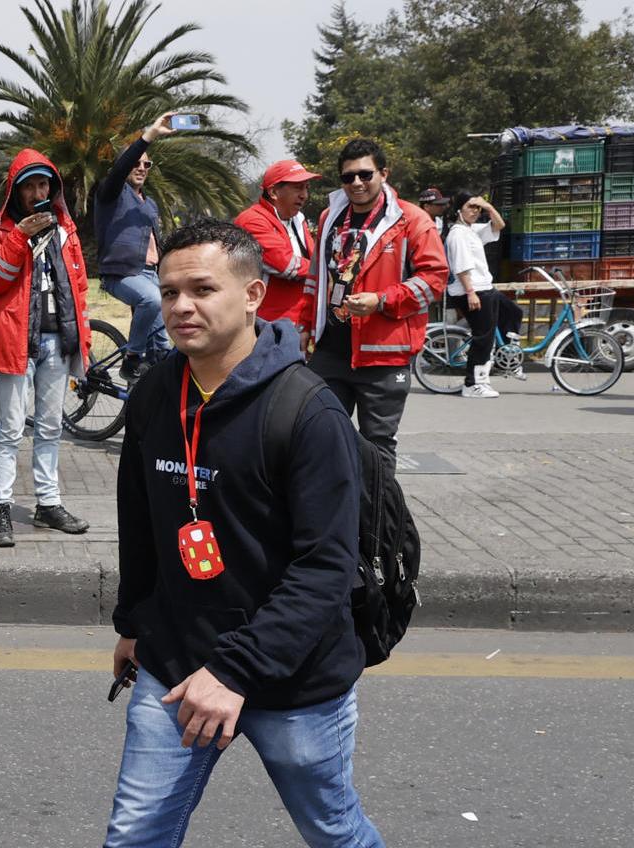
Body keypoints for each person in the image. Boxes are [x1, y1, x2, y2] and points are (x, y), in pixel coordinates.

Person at [108, 219, 381, 848]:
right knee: (134, 835)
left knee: (335, 831)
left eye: (202, 289)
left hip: (291, 677)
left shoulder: (307, 410)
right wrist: (132, 621)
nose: (180, 306)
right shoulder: (154, 393)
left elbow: (325, 569)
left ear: (254, 295)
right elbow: (140, 522)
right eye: (169, 290)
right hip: (175, 662)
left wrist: (234, 672)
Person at [0, 149, 92, 547]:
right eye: (29, 186)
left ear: (53, 188)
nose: (37, 192)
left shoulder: (66, 229)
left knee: (50, 426)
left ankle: (48, 503)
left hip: (57, 339)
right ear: (16, 191)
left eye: (44, 184)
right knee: (9, 428)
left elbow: (78, 288)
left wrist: (84, 339)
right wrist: (20, 236)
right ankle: (0, 507)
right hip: (15, 341)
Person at [307, 138, 448, 459]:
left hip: (383, 355)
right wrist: (305, 328)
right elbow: (315, 280)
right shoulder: (330, 217)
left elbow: (435, 280)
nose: (356, 183)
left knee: (376, 447)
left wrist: (381, 300)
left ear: (383, 173)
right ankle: (336, 510)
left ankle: (377, 511)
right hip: (330, 351)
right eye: (348, 177)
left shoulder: (411, 220)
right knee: (322, 441)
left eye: (365, 174)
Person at [95, 113, 179, 378]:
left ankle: (148, 391)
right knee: (151, 300)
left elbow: (157, 245)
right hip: (121, 274)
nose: (142, 168)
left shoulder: (150, 204)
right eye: (136, 164)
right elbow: (121, 168)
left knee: (164, 343)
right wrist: (149, 136)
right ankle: (132, 358)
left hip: (151, 274)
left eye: (147, 165)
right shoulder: (112, 194)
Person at [234, 160, 324, 333]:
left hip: (298, 320)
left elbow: (312, 260)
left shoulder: (297, 219)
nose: (304, 195)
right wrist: (326, 268)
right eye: (298, 188)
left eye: (306, 188)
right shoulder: (252, 220)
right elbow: (288, 266)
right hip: (266, 323)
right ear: (274, 192)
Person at [443, 191, 510, 397]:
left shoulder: (471, 230)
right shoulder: (458, 234)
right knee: (483, 337)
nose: (475, 211)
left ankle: (499, 367)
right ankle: (472, 384)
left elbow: (499, 225)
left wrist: (488, 207)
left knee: (510, 313)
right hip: (471, 290)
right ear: (459, 209)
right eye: (470, 207)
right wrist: (470, 292)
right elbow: (461, 267)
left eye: (477, 208)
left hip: (485, 288)